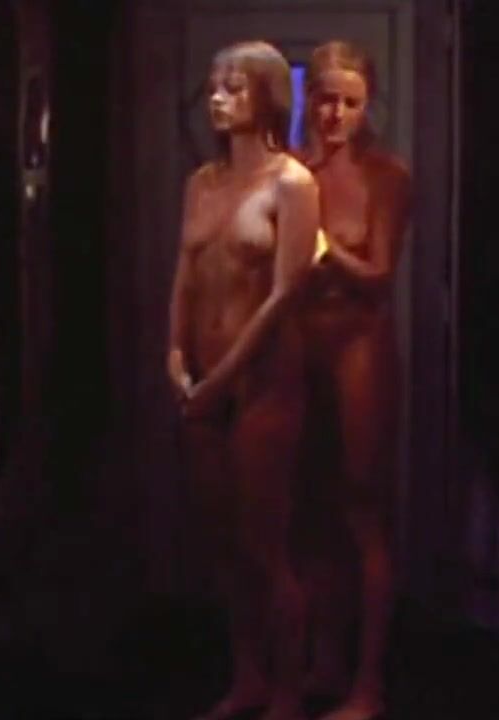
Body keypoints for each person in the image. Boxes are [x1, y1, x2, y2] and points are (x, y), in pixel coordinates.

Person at [167, 40, 320, 720]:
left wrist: (225, 375)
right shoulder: (201, 183)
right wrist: (174, 356)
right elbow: (183, 274)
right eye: (213, 86)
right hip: (203, 378)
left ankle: (287, 692)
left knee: (265, 545)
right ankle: (248, 677)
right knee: (224, 543)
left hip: (263, 381)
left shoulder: (292, 184)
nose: (218, 98)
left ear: (267, 95)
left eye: (234, 87)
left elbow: (286, 293)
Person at [295, 40, 412, 720]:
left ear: (368, 108)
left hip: (359, 348)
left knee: (361, 509)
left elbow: (380, 275)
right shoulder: (294, 172)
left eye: (350, 102)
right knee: (308, 511)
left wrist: (321, 249)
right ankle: (324, 659)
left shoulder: (386, 177)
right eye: (326, 99)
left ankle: (369, 683)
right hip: (298, 348)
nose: (335, 113)